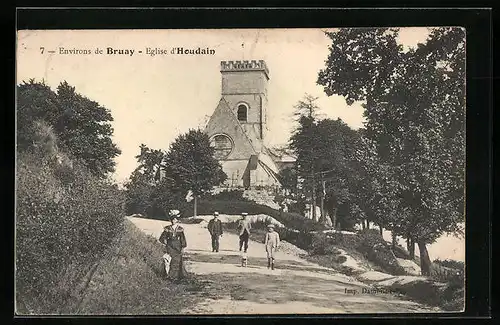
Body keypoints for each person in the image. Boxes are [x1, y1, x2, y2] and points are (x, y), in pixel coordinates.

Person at [159, 210, 187, 281]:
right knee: (170, 261)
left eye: (175, 219)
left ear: (177, 220)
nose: (173, 221)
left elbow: (183, 239)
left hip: (178, 246)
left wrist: (183, 247)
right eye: (172, 219)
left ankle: (177, 276)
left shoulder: (180, 229)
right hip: (170, 246)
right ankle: (170, 276)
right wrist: (164, 241)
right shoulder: (168, 228)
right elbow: (162, 237)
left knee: (177, 261)